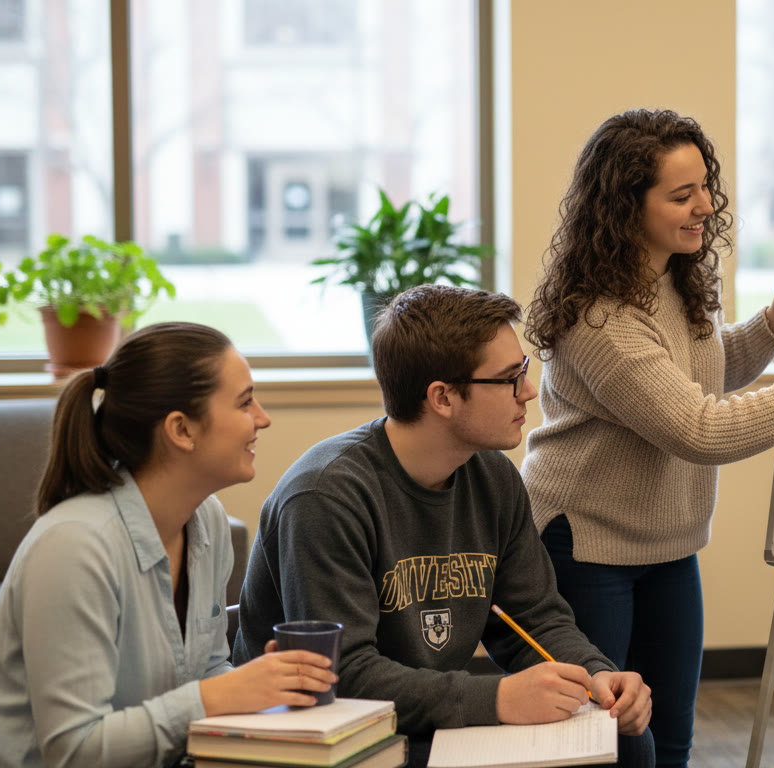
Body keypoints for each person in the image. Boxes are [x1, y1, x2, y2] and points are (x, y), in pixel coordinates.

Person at [520, 108, 774, 767]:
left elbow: (698, 371)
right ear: (624, 205)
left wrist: (772, 327)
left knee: (671, 741)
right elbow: (699, 429)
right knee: (603, 748)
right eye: (681, 194)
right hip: (583, 547)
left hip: (667, 545)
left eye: (706, 187)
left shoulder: (674, 276)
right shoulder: (598, 316)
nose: (705, 206)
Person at [233, 285, 654, 768]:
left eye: (524, 371)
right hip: (330, 730)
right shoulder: (325, 496)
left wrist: (598, 677)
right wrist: (495, 699)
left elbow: (535, 618)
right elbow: (343, 672)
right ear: (443, 397)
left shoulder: (493, 475)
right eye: (509, 378)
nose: (529, 390)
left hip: (428, 719)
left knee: (627, 743)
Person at [0, 323, 338, 768]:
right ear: (181, 429)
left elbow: (202, 674)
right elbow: (74, 751)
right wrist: (216, 696)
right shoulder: (75, 548)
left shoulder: (206, 521)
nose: (262, 417)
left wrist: (257, 687)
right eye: (245, 402)